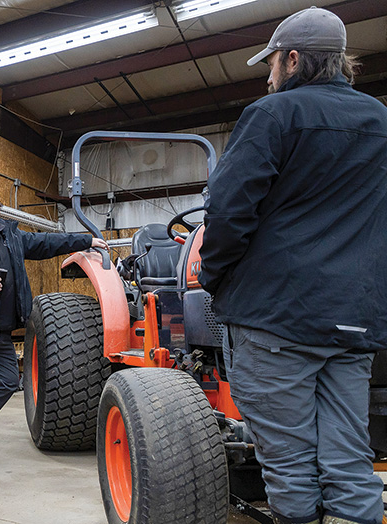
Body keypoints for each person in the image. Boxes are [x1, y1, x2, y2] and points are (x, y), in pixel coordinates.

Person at [198, 8, 387, 524]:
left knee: (290, 467)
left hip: (276, 321)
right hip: (353, 326)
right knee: (350, 464)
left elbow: (229, 213)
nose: (268, 75)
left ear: (295, 59)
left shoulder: (273, 115)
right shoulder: (381, 122)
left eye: (272, 63)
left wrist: (215, 279)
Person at [0, 187, 108, 473]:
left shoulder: (11, 237)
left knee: (9, 379)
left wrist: (85, 241)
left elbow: (45, 243)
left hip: (0, 330)